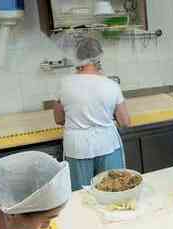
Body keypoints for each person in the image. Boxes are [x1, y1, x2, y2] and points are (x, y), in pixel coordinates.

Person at [53, 37, 131, 191]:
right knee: (113, 192)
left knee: (80, 196)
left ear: (76, 57)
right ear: (99, 57)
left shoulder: (64, 84)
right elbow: (125, 122)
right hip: (107, 144)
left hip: (77, 146)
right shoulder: (111, 85)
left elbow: (59, 119)